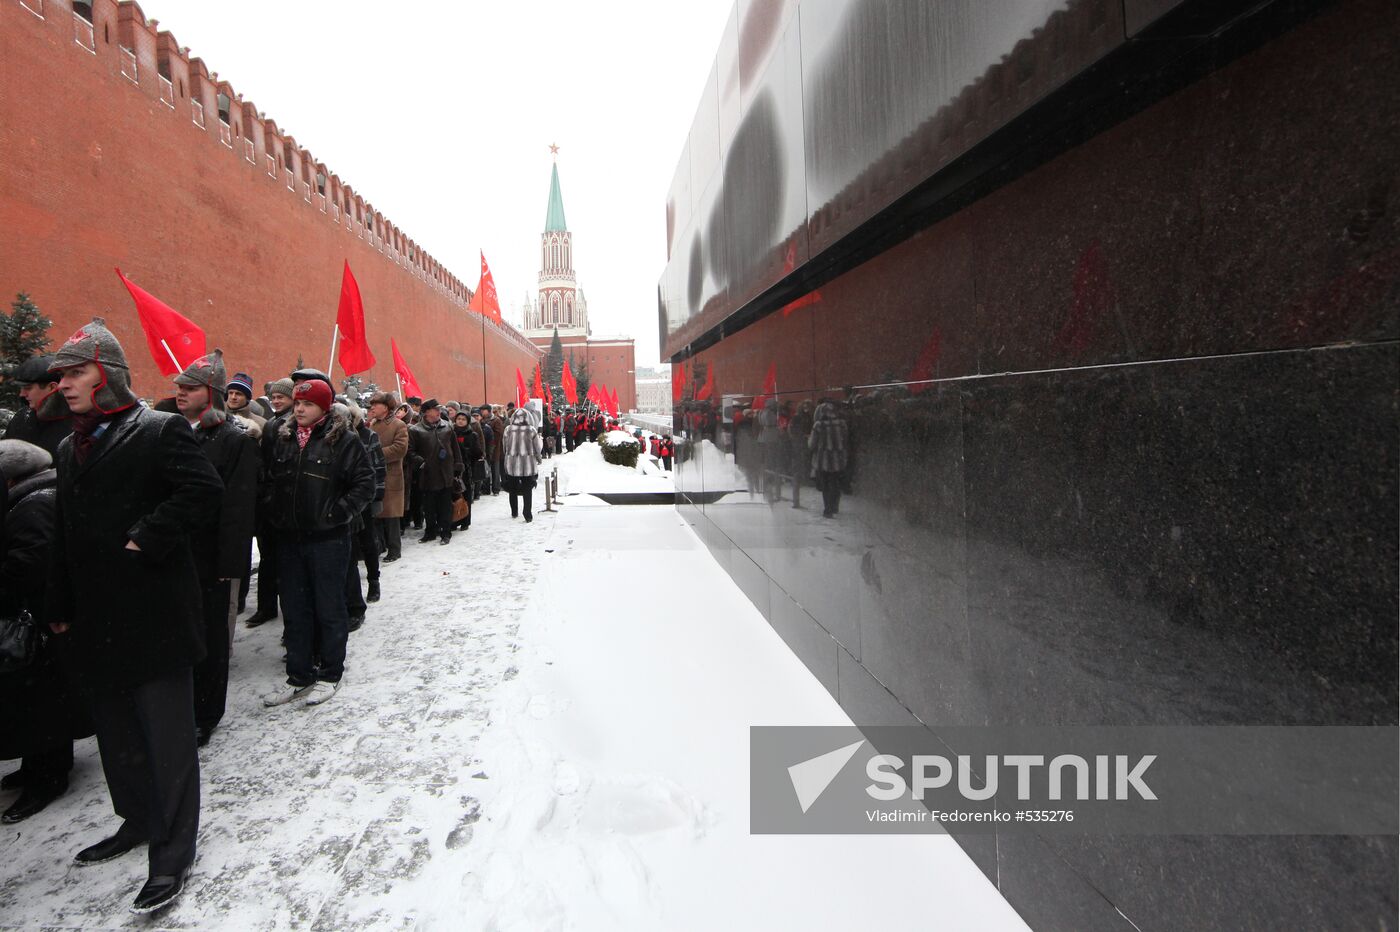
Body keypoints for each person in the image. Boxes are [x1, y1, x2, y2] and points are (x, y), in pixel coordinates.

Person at [46, 318, 223, 915]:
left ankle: (172, 852)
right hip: (99, 621)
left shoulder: (158, 428)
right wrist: (61, 607)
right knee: (119, 738)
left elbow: (202, 492)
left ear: (108, 374)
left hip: (155, 619)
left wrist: (149, 537)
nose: (65, 385)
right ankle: (137, 821)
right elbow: (66, 533)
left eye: (77, 373)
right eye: (61, 376)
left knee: (167, 743)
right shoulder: (72, 446)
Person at [260, 379, 374, 709]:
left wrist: (338, 513)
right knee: (294, 610)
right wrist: (274, 508)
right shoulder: (283, 438)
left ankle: (330, 673)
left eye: (307, 404)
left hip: (328, 539)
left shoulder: (344, 440)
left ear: (324, 407)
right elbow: (268, 479)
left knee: (329, 607)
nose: (299, 408)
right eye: (296, 403)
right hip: (289, 539)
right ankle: (298, 675)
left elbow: (364, 483)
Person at [0, 440, 89, 824]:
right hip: (42, 615)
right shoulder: (38, 497)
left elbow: (32, 564)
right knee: (39, 699)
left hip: (39, 617)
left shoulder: (34, 504)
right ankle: (38, 765)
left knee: (42, 700)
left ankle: (49, 776)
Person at [172, 351, 258, 748]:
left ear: (211, 393)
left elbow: (239, 505)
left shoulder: (233, 439)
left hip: (211, 555)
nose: (180, 394)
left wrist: (231, 561)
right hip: (173, 551)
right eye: (179, 387)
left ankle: (205, 713)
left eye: (189, 388)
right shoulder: (168, 430)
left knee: (211, 636)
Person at [246, 378, 295, 628]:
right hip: (270, 499)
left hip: (287, 501)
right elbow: (265, 461)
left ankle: (291, 622)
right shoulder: (271, 424)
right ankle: (266, 607)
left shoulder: (295, 424)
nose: (276, 401)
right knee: (268, 560)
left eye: (282, 397)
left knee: (287, 566)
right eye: (274, 397)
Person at [341, 400, 385, 630]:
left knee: (368, 543)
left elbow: (378, 469)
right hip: (343, 503)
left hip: (364, 501)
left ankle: (373, 580)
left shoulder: (367, 436)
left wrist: (376, 497)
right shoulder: (333, 439)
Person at [409, 399, 463, 544]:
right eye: (435, 409)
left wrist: (458, 465)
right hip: (427, 474)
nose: (439, 411)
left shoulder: (447, 426)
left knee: (445, 505)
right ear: (426, 412)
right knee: (429, 506)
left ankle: (446, 533)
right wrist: (422, 463)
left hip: (446, 472)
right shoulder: (416, 430)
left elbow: (455, 448)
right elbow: (410, 451)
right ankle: (430, 532)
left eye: (439, 409)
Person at [2, 355, 73, 456]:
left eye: (28, 388)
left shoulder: (80, 424)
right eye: (21, 388)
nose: (22, 394)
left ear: (52, 387)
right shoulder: (21, 419)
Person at [367, 392, 408, 563]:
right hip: (374, 475)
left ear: (385, 407)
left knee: (391, 516)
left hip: (391, 475)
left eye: (375, 405)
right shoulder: (372, 425)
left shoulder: (398, 425)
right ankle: (379, 546)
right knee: (376, 513)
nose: (372, 408)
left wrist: (375, 454)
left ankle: (394, 549)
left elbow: (400, 449)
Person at [501, 407, 542, 522]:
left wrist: (508, 457)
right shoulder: (532, 430)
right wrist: (538, 459)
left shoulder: (508, 430)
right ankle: (527, 513)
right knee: (527, 489)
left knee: (512, 488)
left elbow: (504, 447)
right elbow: (537, 448)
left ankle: (514, 511)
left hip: (512, 464)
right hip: (527, 464)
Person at [808, 402, 849, 518]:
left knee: (825, 485)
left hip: (823, 459)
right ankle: (835, 505)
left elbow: (812, 444)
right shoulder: (842, 424)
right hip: (839, 458)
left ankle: (828, 509)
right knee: (836, 483)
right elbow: (845, 439)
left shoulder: (819, 425)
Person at [451, 410, 481, 530]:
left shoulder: (472, 435)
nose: (460, 421)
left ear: (467, 421)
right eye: (459, 419)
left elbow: (478, 452)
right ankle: (454, 520)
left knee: (466, 495)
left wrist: (466, 451)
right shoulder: (450, 432)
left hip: (467, 469)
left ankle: (465, 521)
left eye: (463, 419)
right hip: (453, 469)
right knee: (454, 495)